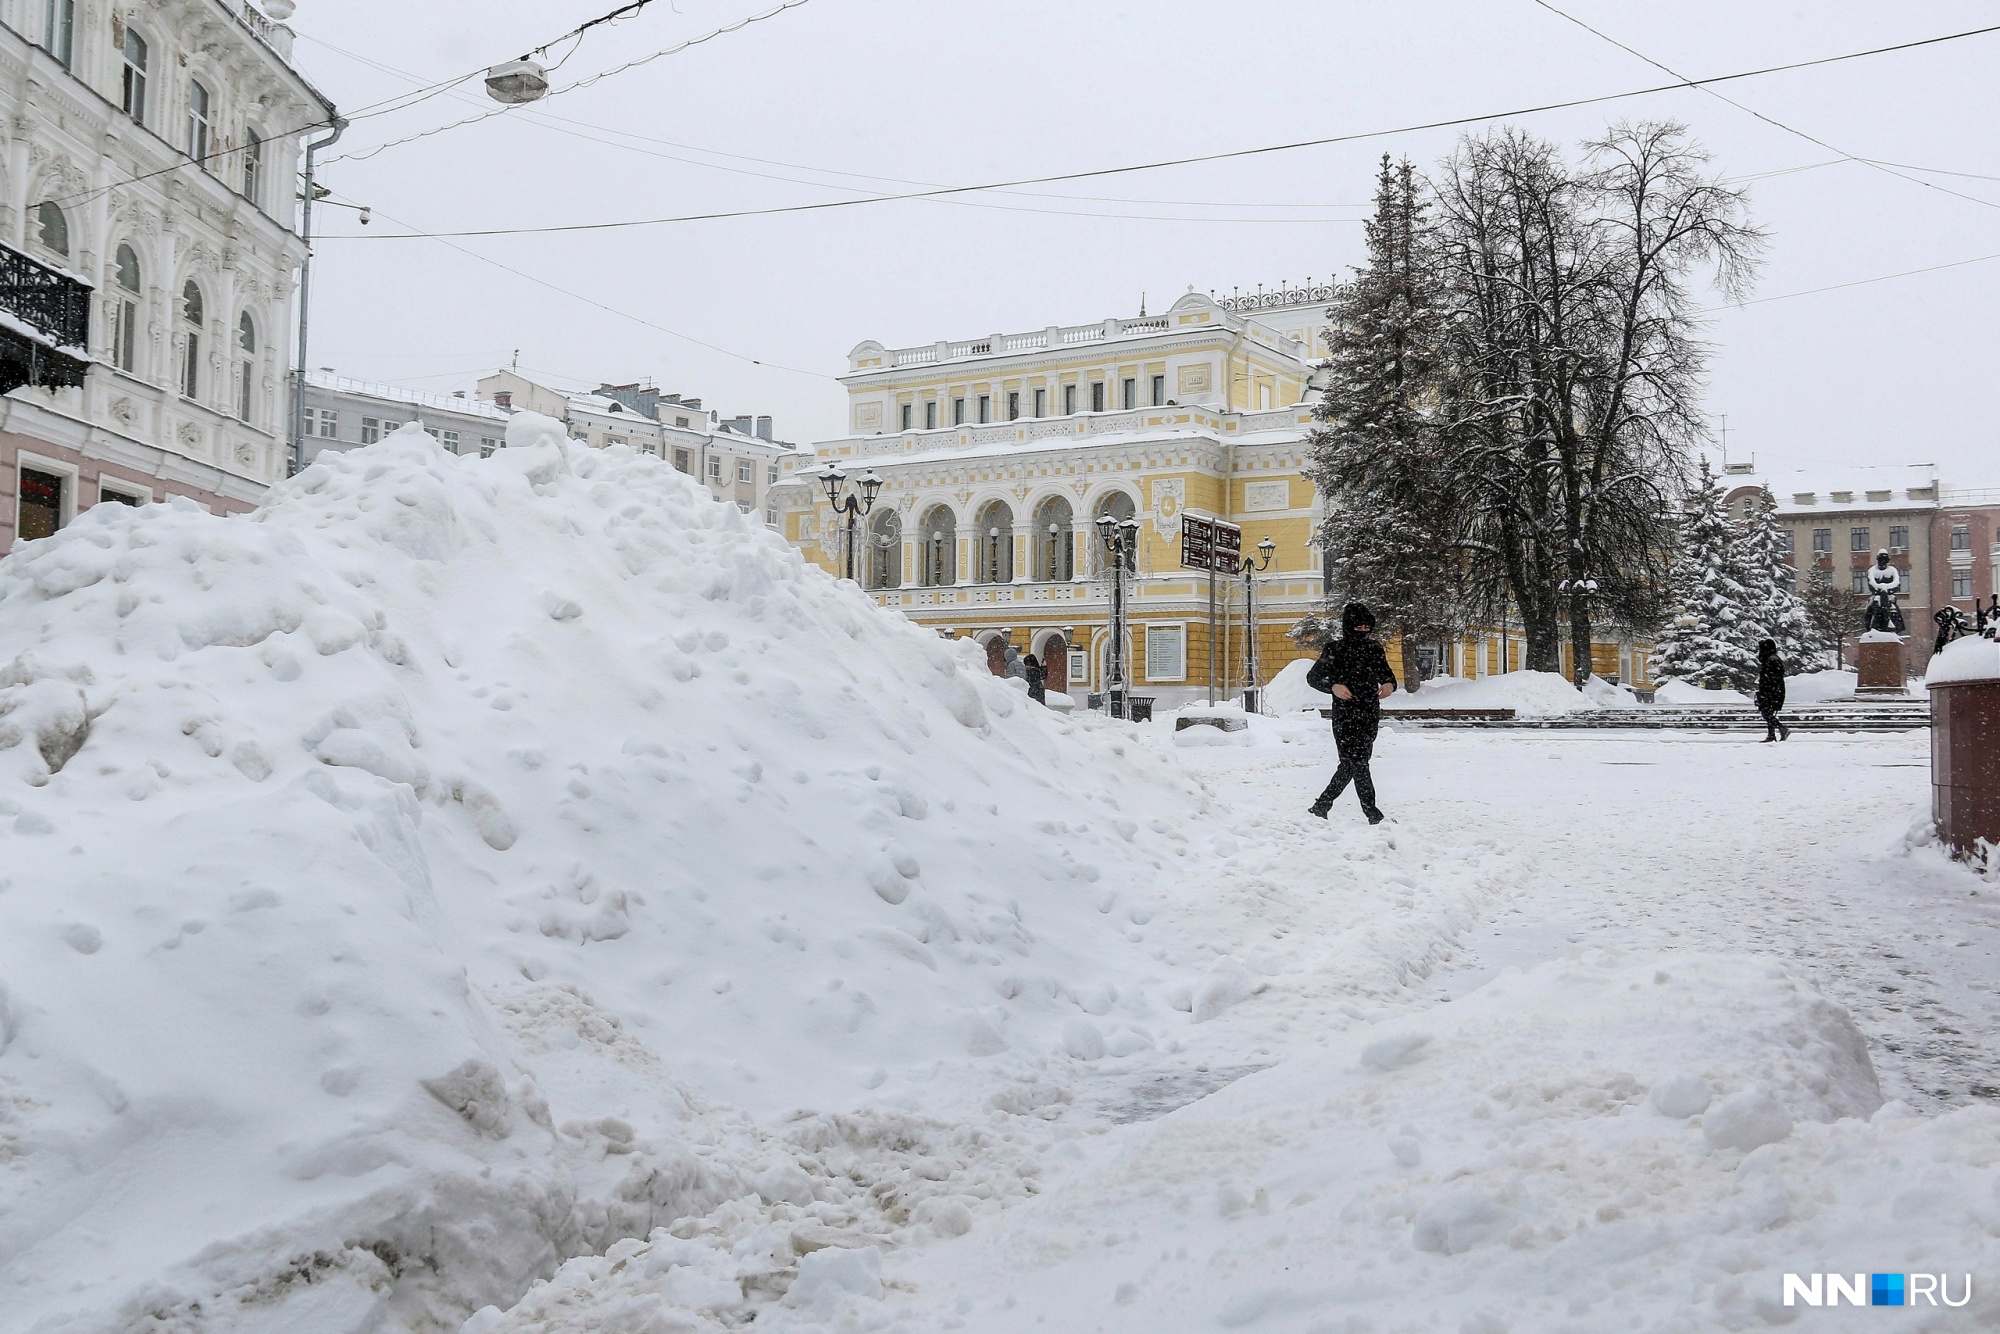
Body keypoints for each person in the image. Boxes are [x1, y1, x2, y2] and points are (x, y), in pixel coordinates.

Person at [1304, 602, 1399, 823]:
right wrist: (1333, 687)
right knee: (1357, 762)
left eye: (1367, 628)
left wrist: (1388, 685)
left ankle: (1322, 805)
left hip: (1368, 713)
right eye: (1359, 628)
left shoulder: (1374, 648)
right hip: (1345, 715)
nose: (1364, 632)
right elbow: (1313, 677)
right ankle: (1372, 813)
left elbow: (1388, 675)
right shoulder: (1335, 650)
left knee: (1353, 762)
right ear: (1349, 626)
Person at [1754, 637, 1790, 742]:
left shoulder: (1771, 660)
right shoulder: (1772, 659)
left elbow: (1770, 678)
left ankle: (1781, 728)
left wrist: (1765, 692)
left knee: (1766, 713)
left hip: (1771, 692)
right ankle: (1772, 734)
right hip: (1774, 691)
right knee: (1769, 712)